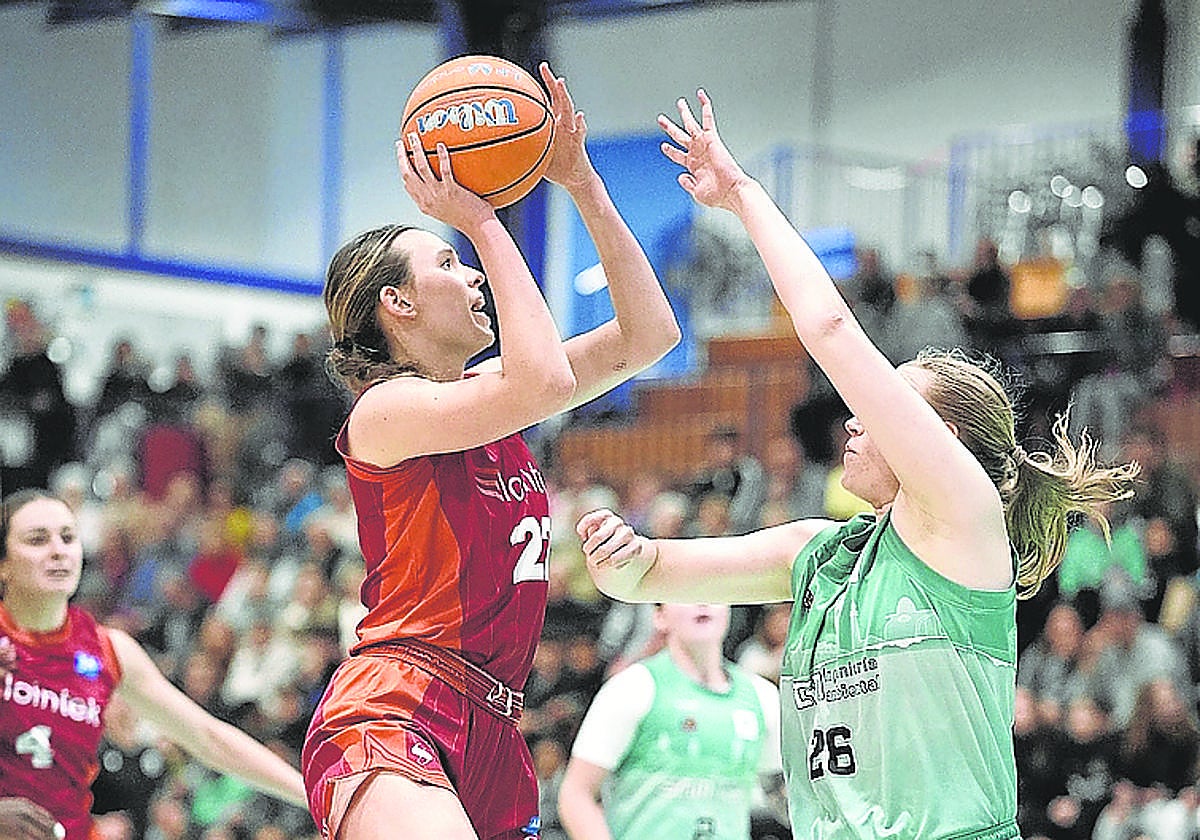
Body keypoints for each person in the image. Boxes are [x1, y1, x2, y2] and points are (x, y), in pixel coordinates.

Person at [575, 89, 1138, 840]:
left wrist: (743, 195)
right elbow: (638, 579)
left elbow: (833, 328)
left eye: (889, 408)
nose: (854, 418)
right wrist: (623, 552)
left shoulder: (963, 527)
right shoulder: (820, 554)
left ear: (938, 443)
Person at [300, 61, 680, 840]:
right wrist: (480, 218)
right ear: (396, 305)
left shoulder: (492, 395)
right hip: (396, 702)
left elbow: (651, 335)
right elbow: (541, 380)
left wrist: (580, 181)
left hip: (498, 723)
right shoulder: (386, 412)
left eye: (464, 256)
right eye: (447, 263)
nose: (472, 273)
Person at [0, 488, 307, 840]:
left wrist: (311, 796)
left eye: (68, 537)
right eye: (37, 540)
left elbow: (208, 737)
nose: (59, 550)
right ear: (4, 564)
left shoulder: (107, 648)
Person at [557, 603, 781, 840]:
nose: (702, 601)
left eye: (714, 593)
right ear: (659, 616)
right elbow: (575, 794)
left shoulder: (762, 696)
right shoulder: (633, 687)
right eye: (687, 595)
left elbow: (785, 796)